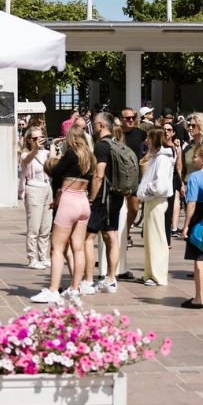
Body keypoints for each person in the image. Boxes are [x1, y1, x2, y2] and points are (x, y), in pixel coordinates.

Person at [31, 127, 95, 304]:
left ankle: (53, 289)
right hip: (83, 201)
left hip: (69, 200)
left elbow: (56, 172)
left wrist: (56, 159)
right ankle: (75, 288)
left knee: (57, 249)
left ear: (71, 139)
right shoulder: (90, 156)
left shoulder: (71, 154)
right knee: (78, 248)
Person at [83, 112, 123, 295]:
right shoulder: (117, 143)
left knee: (88, 238)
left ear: (100, 125)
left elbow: (99, 174)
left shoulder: (101, 146)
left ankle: (89, 280)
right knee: (111, 237)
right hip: (116, 196)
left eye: (94, 124)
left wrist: (91, 197)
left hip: (102, 197)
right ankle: (111, 279)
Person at [179, 142, 203, 308]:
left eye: (195, 156)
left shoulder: (195, 177)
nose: (193, 159)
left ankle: (198, 297)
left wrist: (186, 225)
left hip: (198, 217)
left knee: (199, 258)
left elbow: (191, 203)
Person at [135, 127, 176, 287]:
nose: (146, 142)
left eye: (149, 139)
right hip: (151, 201)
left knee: (157, 239)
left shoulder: (162, 159)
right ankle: (150, 272)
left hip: (156, 201)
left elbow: (161, 185)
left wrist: (145, 190)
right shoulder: (156, 158)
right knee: (150, 239)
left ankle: (158, 275)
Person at [115, 107, 148, 276]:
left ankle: (125, 232)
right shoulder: (116, 134)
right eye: (127, 118)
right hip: (119, 176)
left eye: (133, 117)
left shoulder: (140, 133)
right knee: (120, 208)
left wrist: (145, 159)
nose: (130, 120)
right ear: (120, 119)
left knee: (134, 207)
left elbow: (149, 147)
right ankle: (119, 235)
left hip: (135, 175)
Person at [18, 125, 52, 269]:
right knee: (34, 228)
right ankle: (32, 258)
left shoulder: (45, 153)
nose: (39, 140)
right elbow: (27, 160)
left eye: (41, 137)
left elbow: (53, 165)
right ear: (29, 140)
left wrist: (53, 147)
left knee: (46, 227)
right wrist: (35, 149)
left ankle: (43, 256)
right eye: (35, 138)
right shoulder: (26, 154)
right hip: (33, 190)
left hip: (47, 189)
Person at [162, 121, 184, 240]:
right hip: (160, 179)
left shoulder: (176, 147)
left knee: (169, 209)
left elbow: (179, 166)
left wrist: (181, 184)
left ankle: (167, 238)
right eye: (164, 129)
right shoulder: (158, 145)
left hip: (172, 179)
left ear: (174, 132)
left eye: (169, 130)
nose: (166, 132)